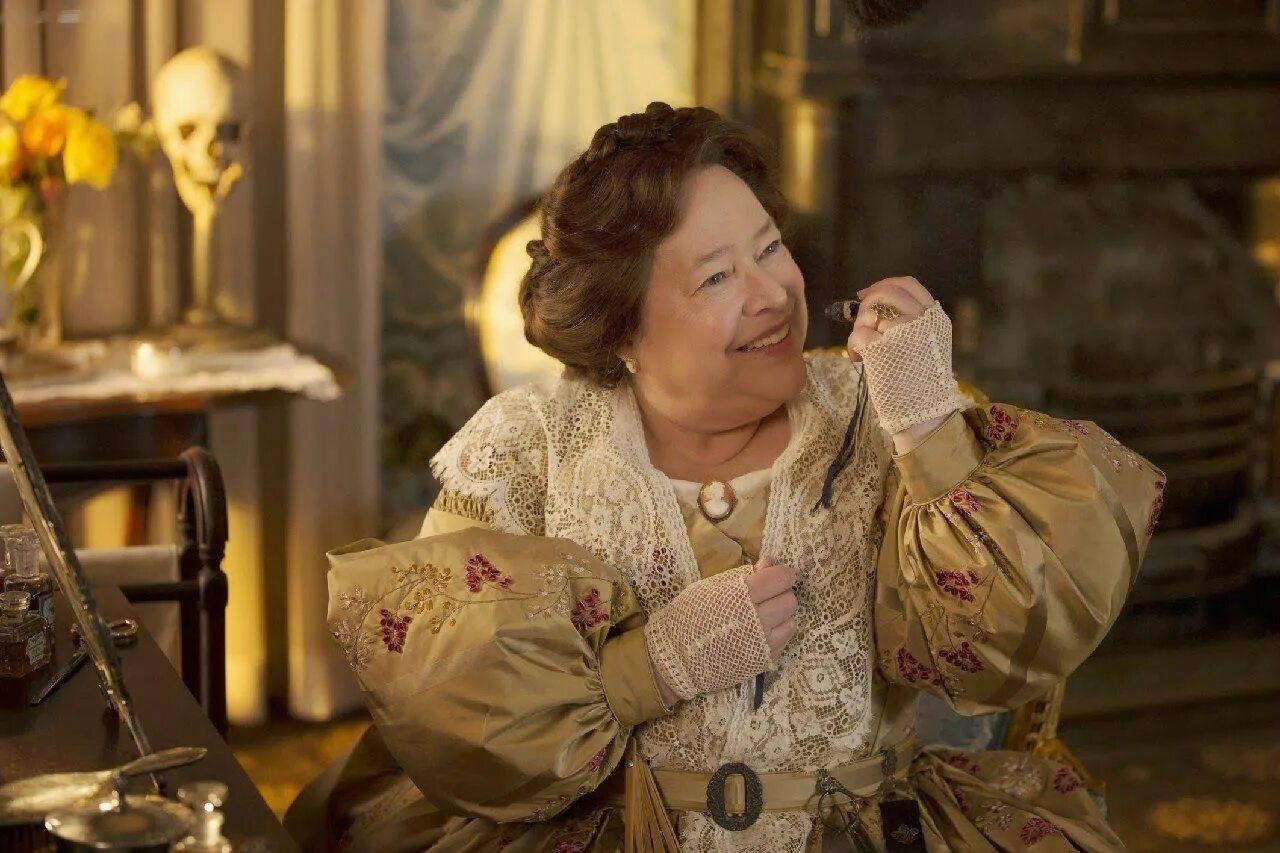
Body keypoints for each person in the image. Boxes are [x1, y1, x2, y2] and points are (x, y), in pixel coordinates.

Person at [290, 103, 1164, 852]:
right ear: (623, 332)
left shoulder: (888, 412)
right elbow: (448, 703)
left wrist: (931, 430)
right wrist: (648, 669)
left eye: (769, 248)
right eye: (716, 275)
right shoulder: (528, 448)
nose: (772, 293)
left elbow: (1010, 643)